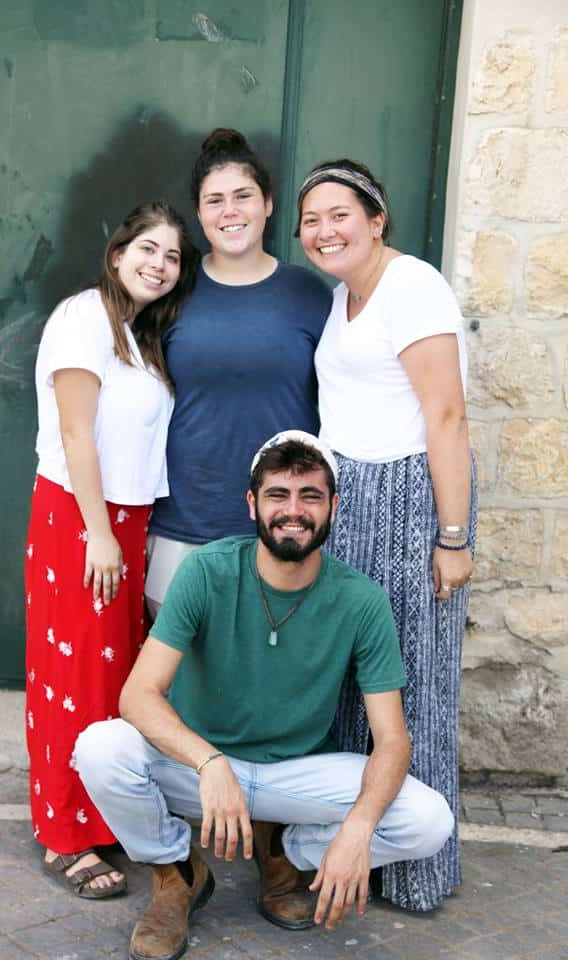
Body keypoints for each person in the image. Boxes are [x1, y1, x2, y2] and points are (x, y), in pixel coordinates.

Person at [75, 432, 454, 960]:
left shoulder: (362, 600)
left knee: (429, 819)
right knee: (100, 748)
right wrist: (209, 763)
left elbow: (391, 740)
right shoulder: (206, 571)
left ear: (333, 507)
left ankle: (287, 855)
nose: (293, 511)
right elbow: (138, 697)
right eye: (278, 495)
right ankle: (176, 872)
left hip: (291, 777)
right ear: (252, 503)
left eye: (310, 496)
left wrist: (357, 833)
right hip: (200, 770)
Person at [296, 159, 476, 911]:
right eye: (310, 220)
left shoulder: (414, 287)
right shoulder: (345, 297)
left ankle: (417, 867)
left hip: (409, 500)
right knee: (353, 683)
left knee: (412, 684)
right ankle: (355, 849)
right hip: (352, 500)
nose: (323, 230)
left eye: (340, 214)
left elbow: (447, 417)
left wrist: (454, 535)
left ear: (377, 219)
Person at [24, 201, 199, 899]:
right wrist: (98, 532)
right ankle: (63, 834)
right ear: (118, 250)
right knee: (71, 676)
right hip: (79, 516)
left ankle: (99, 816)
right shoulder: (83, 319)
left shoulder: (138, 333)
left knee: (111, 676)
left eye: (172, 257)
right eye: (147, 249)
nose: (158, 264)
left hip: (124, 522)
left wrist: (125, 533)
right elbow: (76, 436)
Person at [145, 128, 332, 616]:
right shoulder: (171, 291)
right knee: (182, 677)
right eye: (215, 201)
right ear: (200, 214)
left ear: (268, 204)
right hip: (184, 518)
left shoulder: (309, 295)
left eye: (243, 196)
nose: (230, 211)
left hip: (286, 522)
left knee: (270, 669)